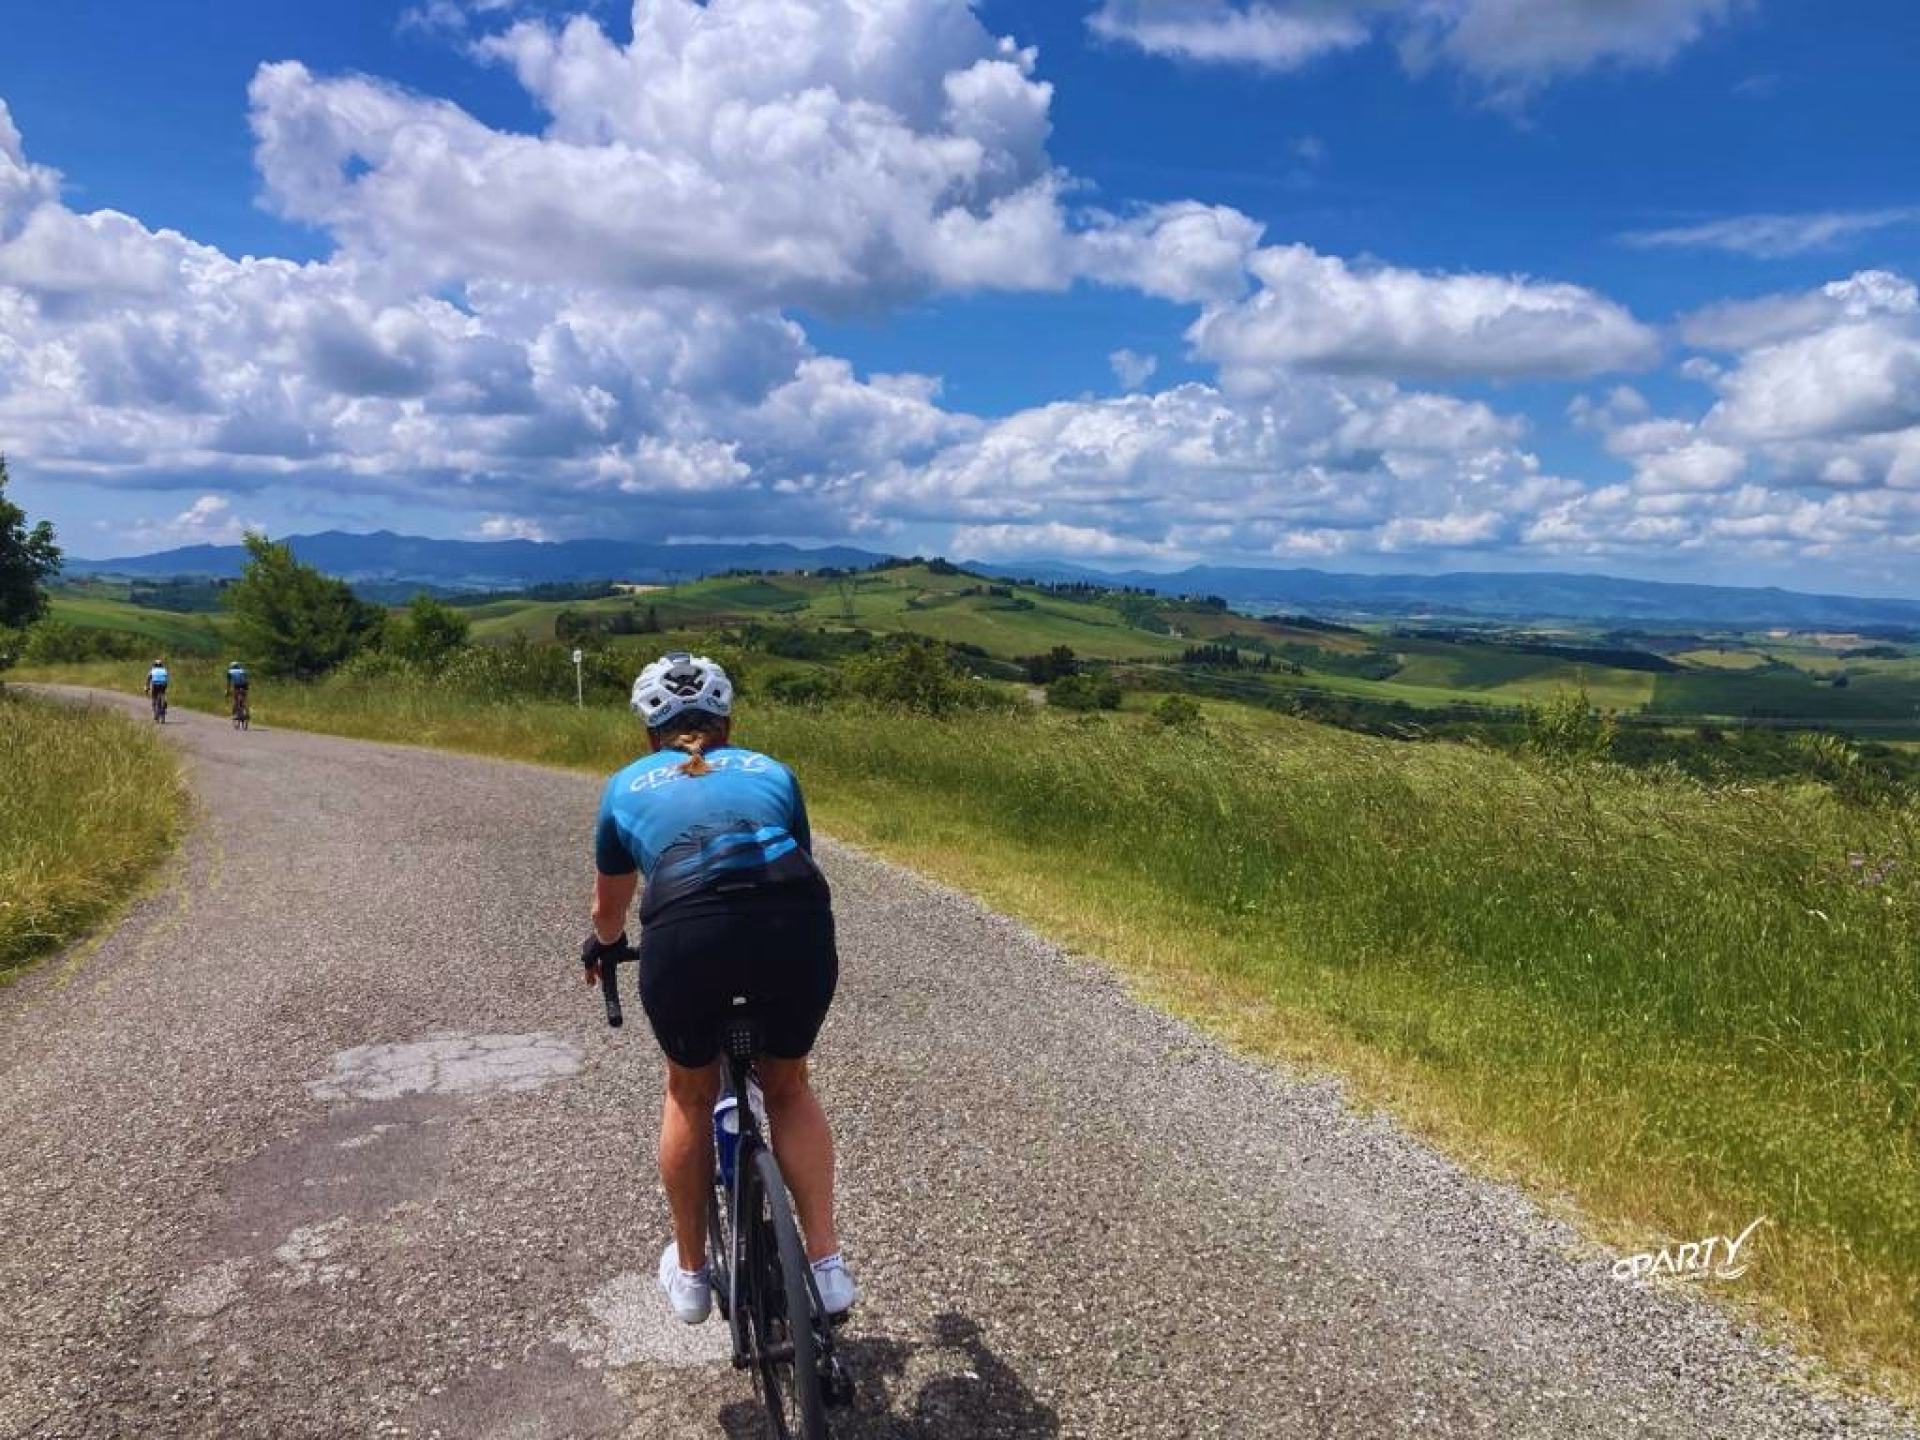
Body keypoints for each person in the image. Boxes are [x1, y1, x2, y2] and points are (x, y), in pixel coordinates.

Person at [582, 651, 856, 1326]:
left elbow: (609, 913)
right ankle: (827, 1268)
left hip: (686, 939)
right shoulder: (773, 771)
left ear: (648, 730)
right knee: (788, 1088)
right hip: (794, 927)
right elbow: (795, 861)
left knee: (690, 1092)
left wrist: (606, 946)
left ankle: (692, 1276)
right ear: (728, 721)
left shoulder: (625, 786)